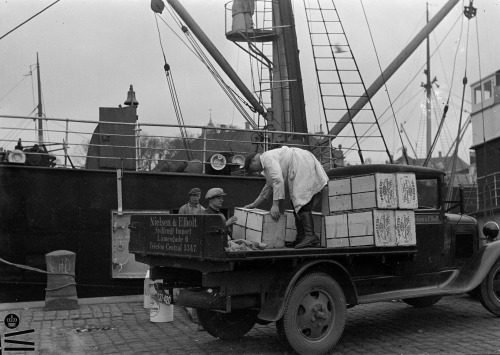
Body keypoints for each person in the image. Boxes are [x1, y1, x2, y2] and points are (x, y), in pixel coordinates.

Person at [243, 146, 328, 249]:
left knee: (301, 200)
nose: (255, 172)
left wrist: (275, 206)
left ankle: (310, 236)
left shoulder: (267, 158)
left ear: (253, 161)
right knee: (297, 201)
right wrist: (253, 205)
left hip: (300, 161)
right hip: (300, 160)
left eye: (252, 169)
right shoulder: (267, 162)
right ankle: (301, 237)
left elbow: (278, 180)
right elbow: (269, 187)